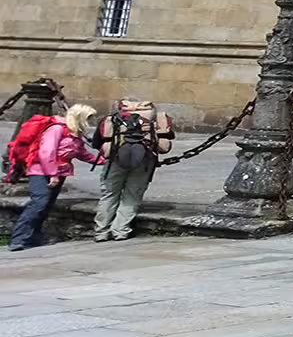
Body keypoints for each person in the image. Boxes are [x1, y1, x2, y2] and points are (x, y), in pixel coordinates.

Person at [9, 104, 104, 251]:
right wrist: (52, 174)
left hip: (60, 172)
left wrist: (104, 160)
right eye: (88, 118)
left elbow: (81, 153)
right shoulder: (57, 129)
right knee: (39, 203)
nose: (90, 121)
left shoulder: (74, 133)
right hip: (41, 171)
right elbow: (47, 153)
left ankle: (33, 237)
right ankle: (19, 239)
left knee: (46, 206)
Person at [91, 97, 175, 242]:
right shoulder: (153, 119)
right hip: (144, 161)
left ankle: (101, 232)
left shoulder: (113, 119)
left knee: (109, 195)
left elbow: (96, 142)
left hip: (115, 160)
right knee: (132, 195)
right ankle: (120, 231)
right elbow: (166, 139)